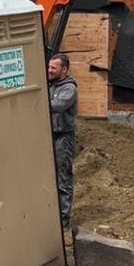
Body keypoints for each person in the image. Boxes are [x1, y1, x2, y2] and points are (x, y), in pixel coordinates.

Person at [47, 52, 78, 233]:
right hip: (49, 135)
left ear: (64, 69)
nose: (49, 70)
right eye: (49, 67)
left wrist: (39, 98)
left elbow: (57, 105)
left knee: (62, 178)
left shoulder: (69, 89)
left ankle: (63, 221)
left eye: (53, 67)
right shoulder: (50, 86)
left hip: (63, 138)